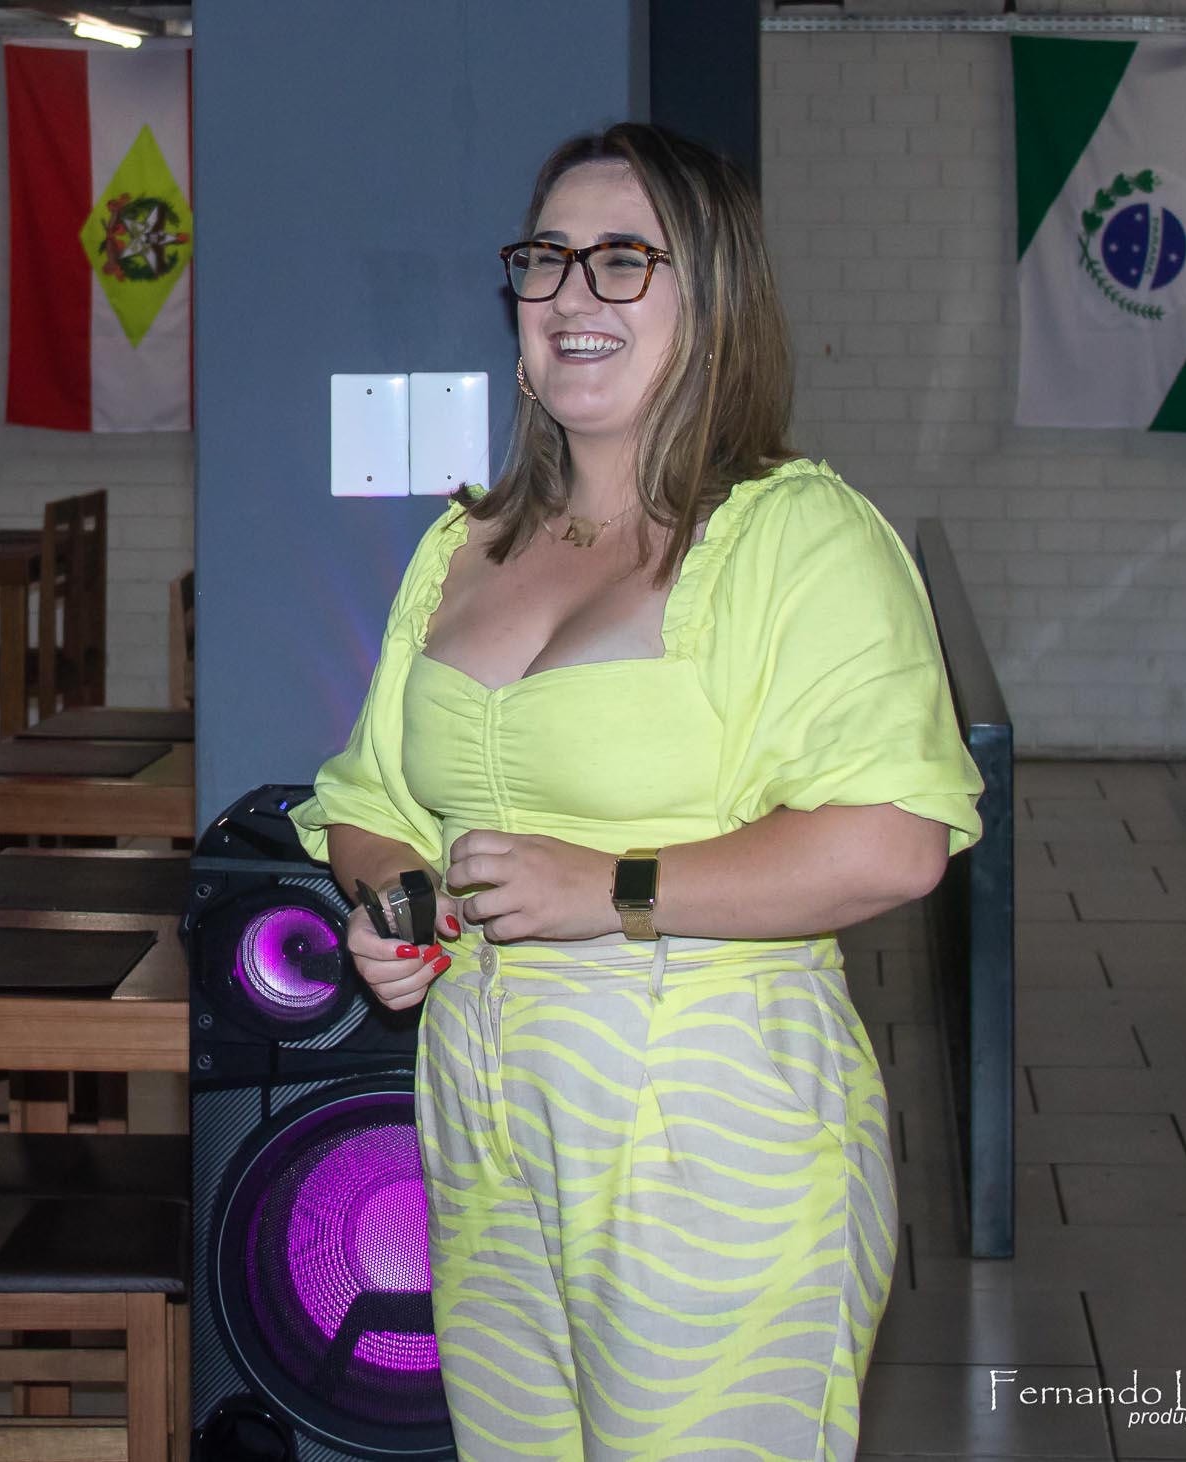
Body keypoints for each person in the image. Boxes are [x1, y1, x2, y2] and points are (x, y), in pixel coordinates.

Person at [289, 124, 983, 1461]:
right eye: (546, 259)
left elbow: (895, 841)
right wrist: (397, 900)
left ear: (712, 299)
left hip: (711, 1127)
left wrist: (615, 889)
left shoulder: (796, 536)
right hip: (484, 1122)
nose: (570, 294)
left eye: (622, 260)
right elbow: (370, 796)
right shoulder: (463, 543)